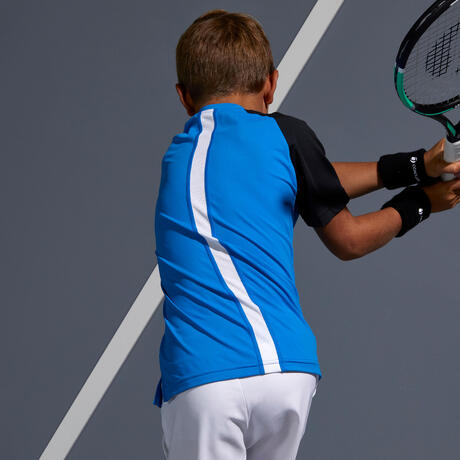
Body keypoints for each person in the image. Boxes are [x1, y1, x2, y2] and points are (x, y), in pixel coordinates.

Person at [153, 9, 460, 460]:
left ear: (183, 97)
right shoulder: (286, 135)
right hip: (287, 373)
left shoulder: (179, 157)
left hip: (207, 376)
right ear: (271, 84)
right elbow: (337, 220)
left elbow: (314, 182)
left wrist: (417, 170)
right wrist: (421, 201)